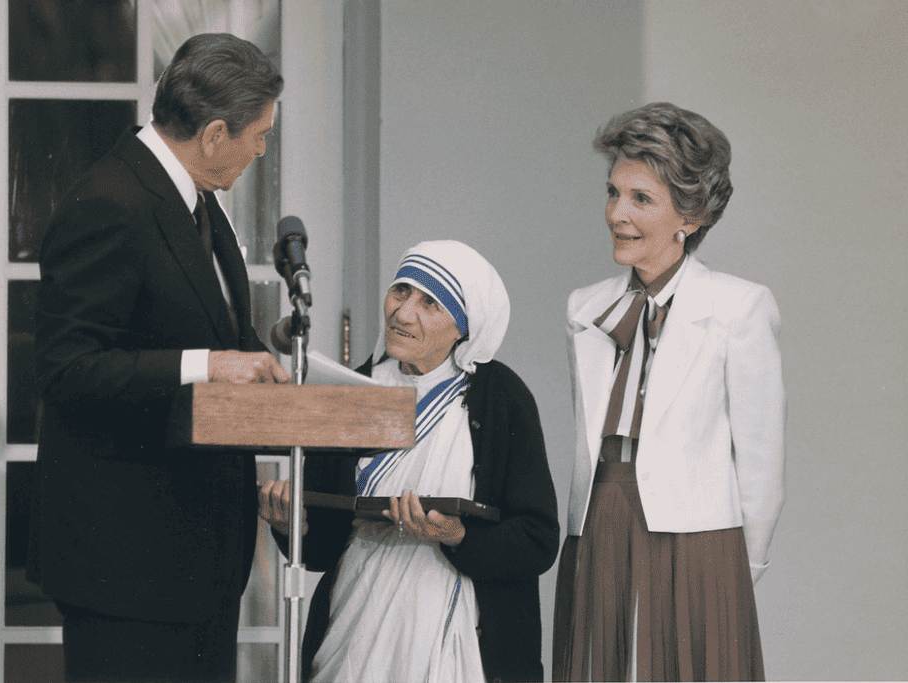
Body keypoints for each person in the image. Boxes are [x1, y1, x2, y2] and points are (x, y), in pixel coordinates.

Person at [27, 33, 290, 682]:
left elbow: (219, 332)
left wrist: (266, 364)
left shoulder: (200, 202)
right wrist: (206, 364)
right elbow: (68, 369)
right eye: (259, 135)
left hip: (200, 561)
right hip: (128, 568)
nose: (261, 150)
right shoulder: (109, 204)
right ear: (213, 133)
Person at [551, 102, 786, 681]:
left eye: (640, 199)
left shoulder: (740, 308)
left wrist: (732, 569)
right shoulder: (585, 309)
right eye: (613, 193)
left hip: (701, 541)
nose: (616, 214)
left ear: (691, 215)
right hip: (598, 525)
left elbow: (761, 468)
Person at [259, 240, 560, 683]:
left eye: (430, 303)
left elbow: (537, 539)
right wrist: (291, 525)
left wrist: (456, 535)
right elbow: (322, 546)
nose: (403, 313)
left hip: (463, 639)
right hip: (357, 626)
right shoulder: (351, 389)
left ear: (464, 326)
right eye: (401, 291)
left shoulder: (503, 399)